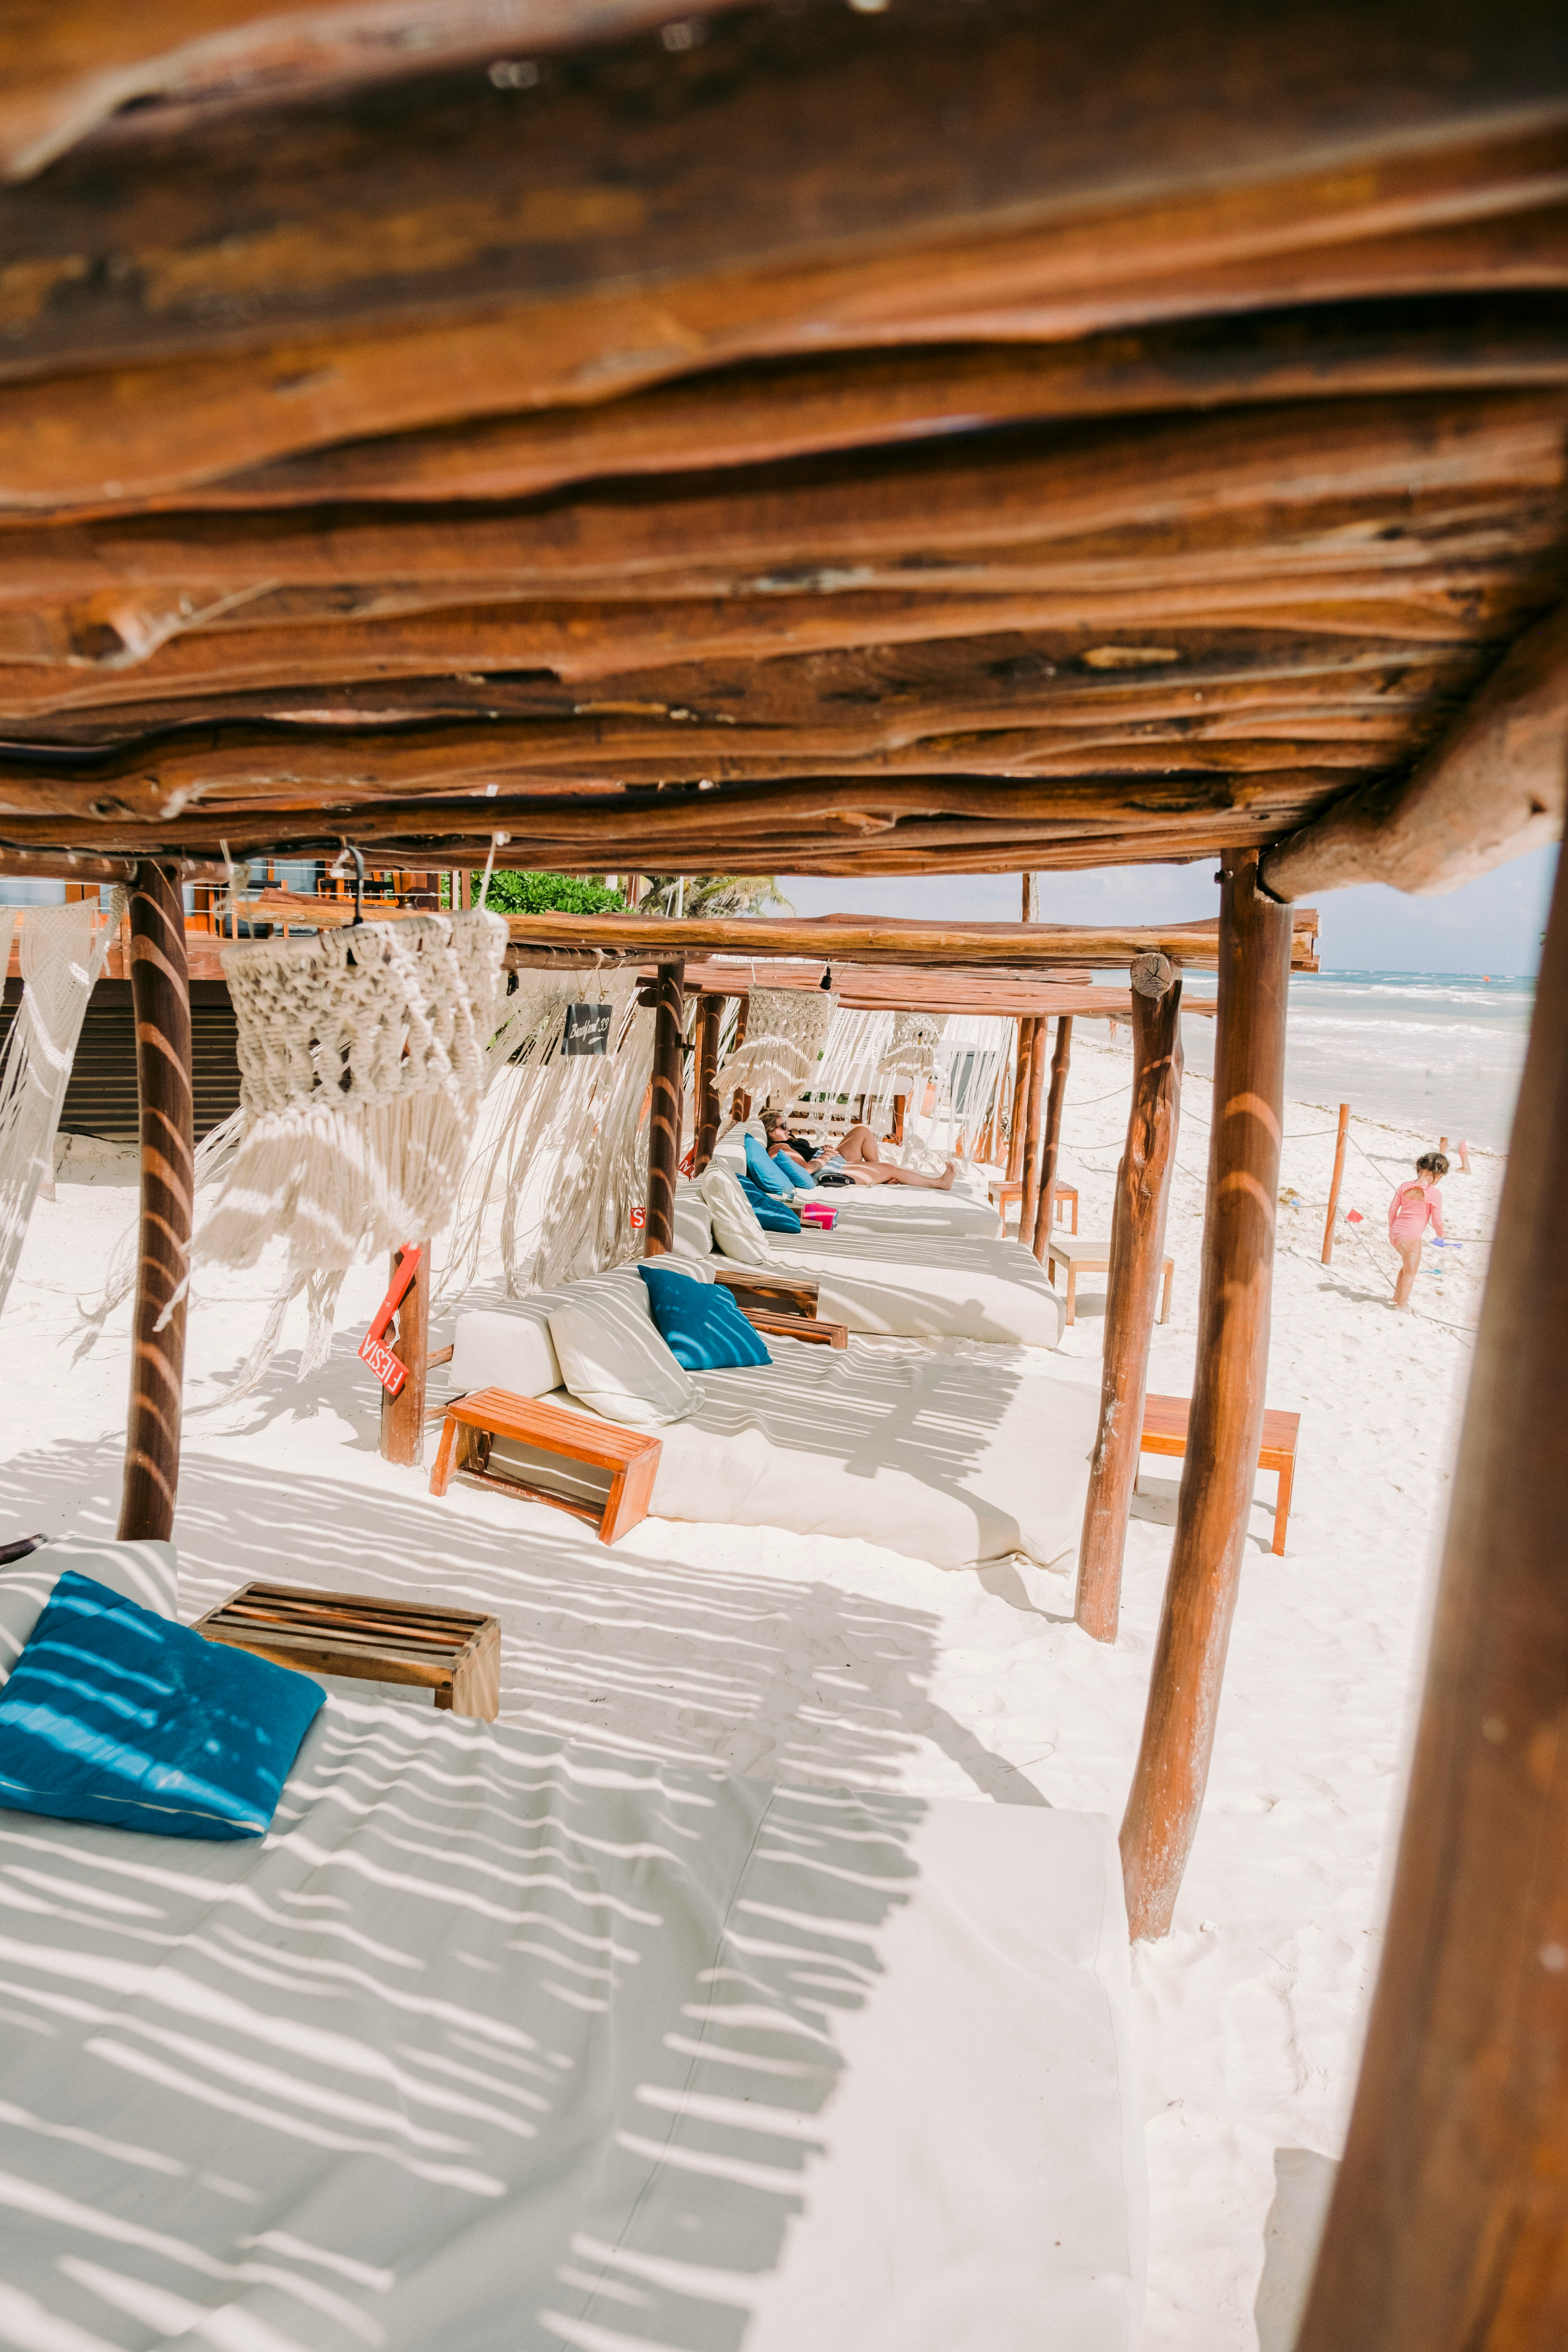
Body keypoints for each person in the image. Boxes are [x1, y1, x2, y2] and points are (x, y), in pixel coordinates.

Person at [761, 1111, 957, 1190]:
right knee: (892, 1168)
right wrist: (828, 1154)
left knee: (862, 1131)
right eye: (782, 1126)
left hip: (828, 1159)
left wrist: (822, 1149)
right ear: (771, 1132)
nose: (787, 1128)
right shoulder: (778, 1148)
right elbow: (807, 1170)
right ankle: (940, 1184)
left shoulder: (787, 1142)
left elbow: (804, 1155)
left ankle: (879, 1174)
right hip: (828, 1169)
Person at [1388, 1150, 1448, 1309]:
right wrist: (1441, 1234)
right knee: (1411, 1273)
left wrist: (1392, 1228)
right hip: (1411, 1237)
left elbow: (1393, 1210)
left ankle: (1397, 1297)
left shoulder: (1405, 1186)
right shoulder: (1434, 1194)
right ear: (1438, 1175)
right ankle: (1402, 1305)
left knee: (1406, 1267)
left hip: (1396, 1232)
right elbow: (1437, 1220)